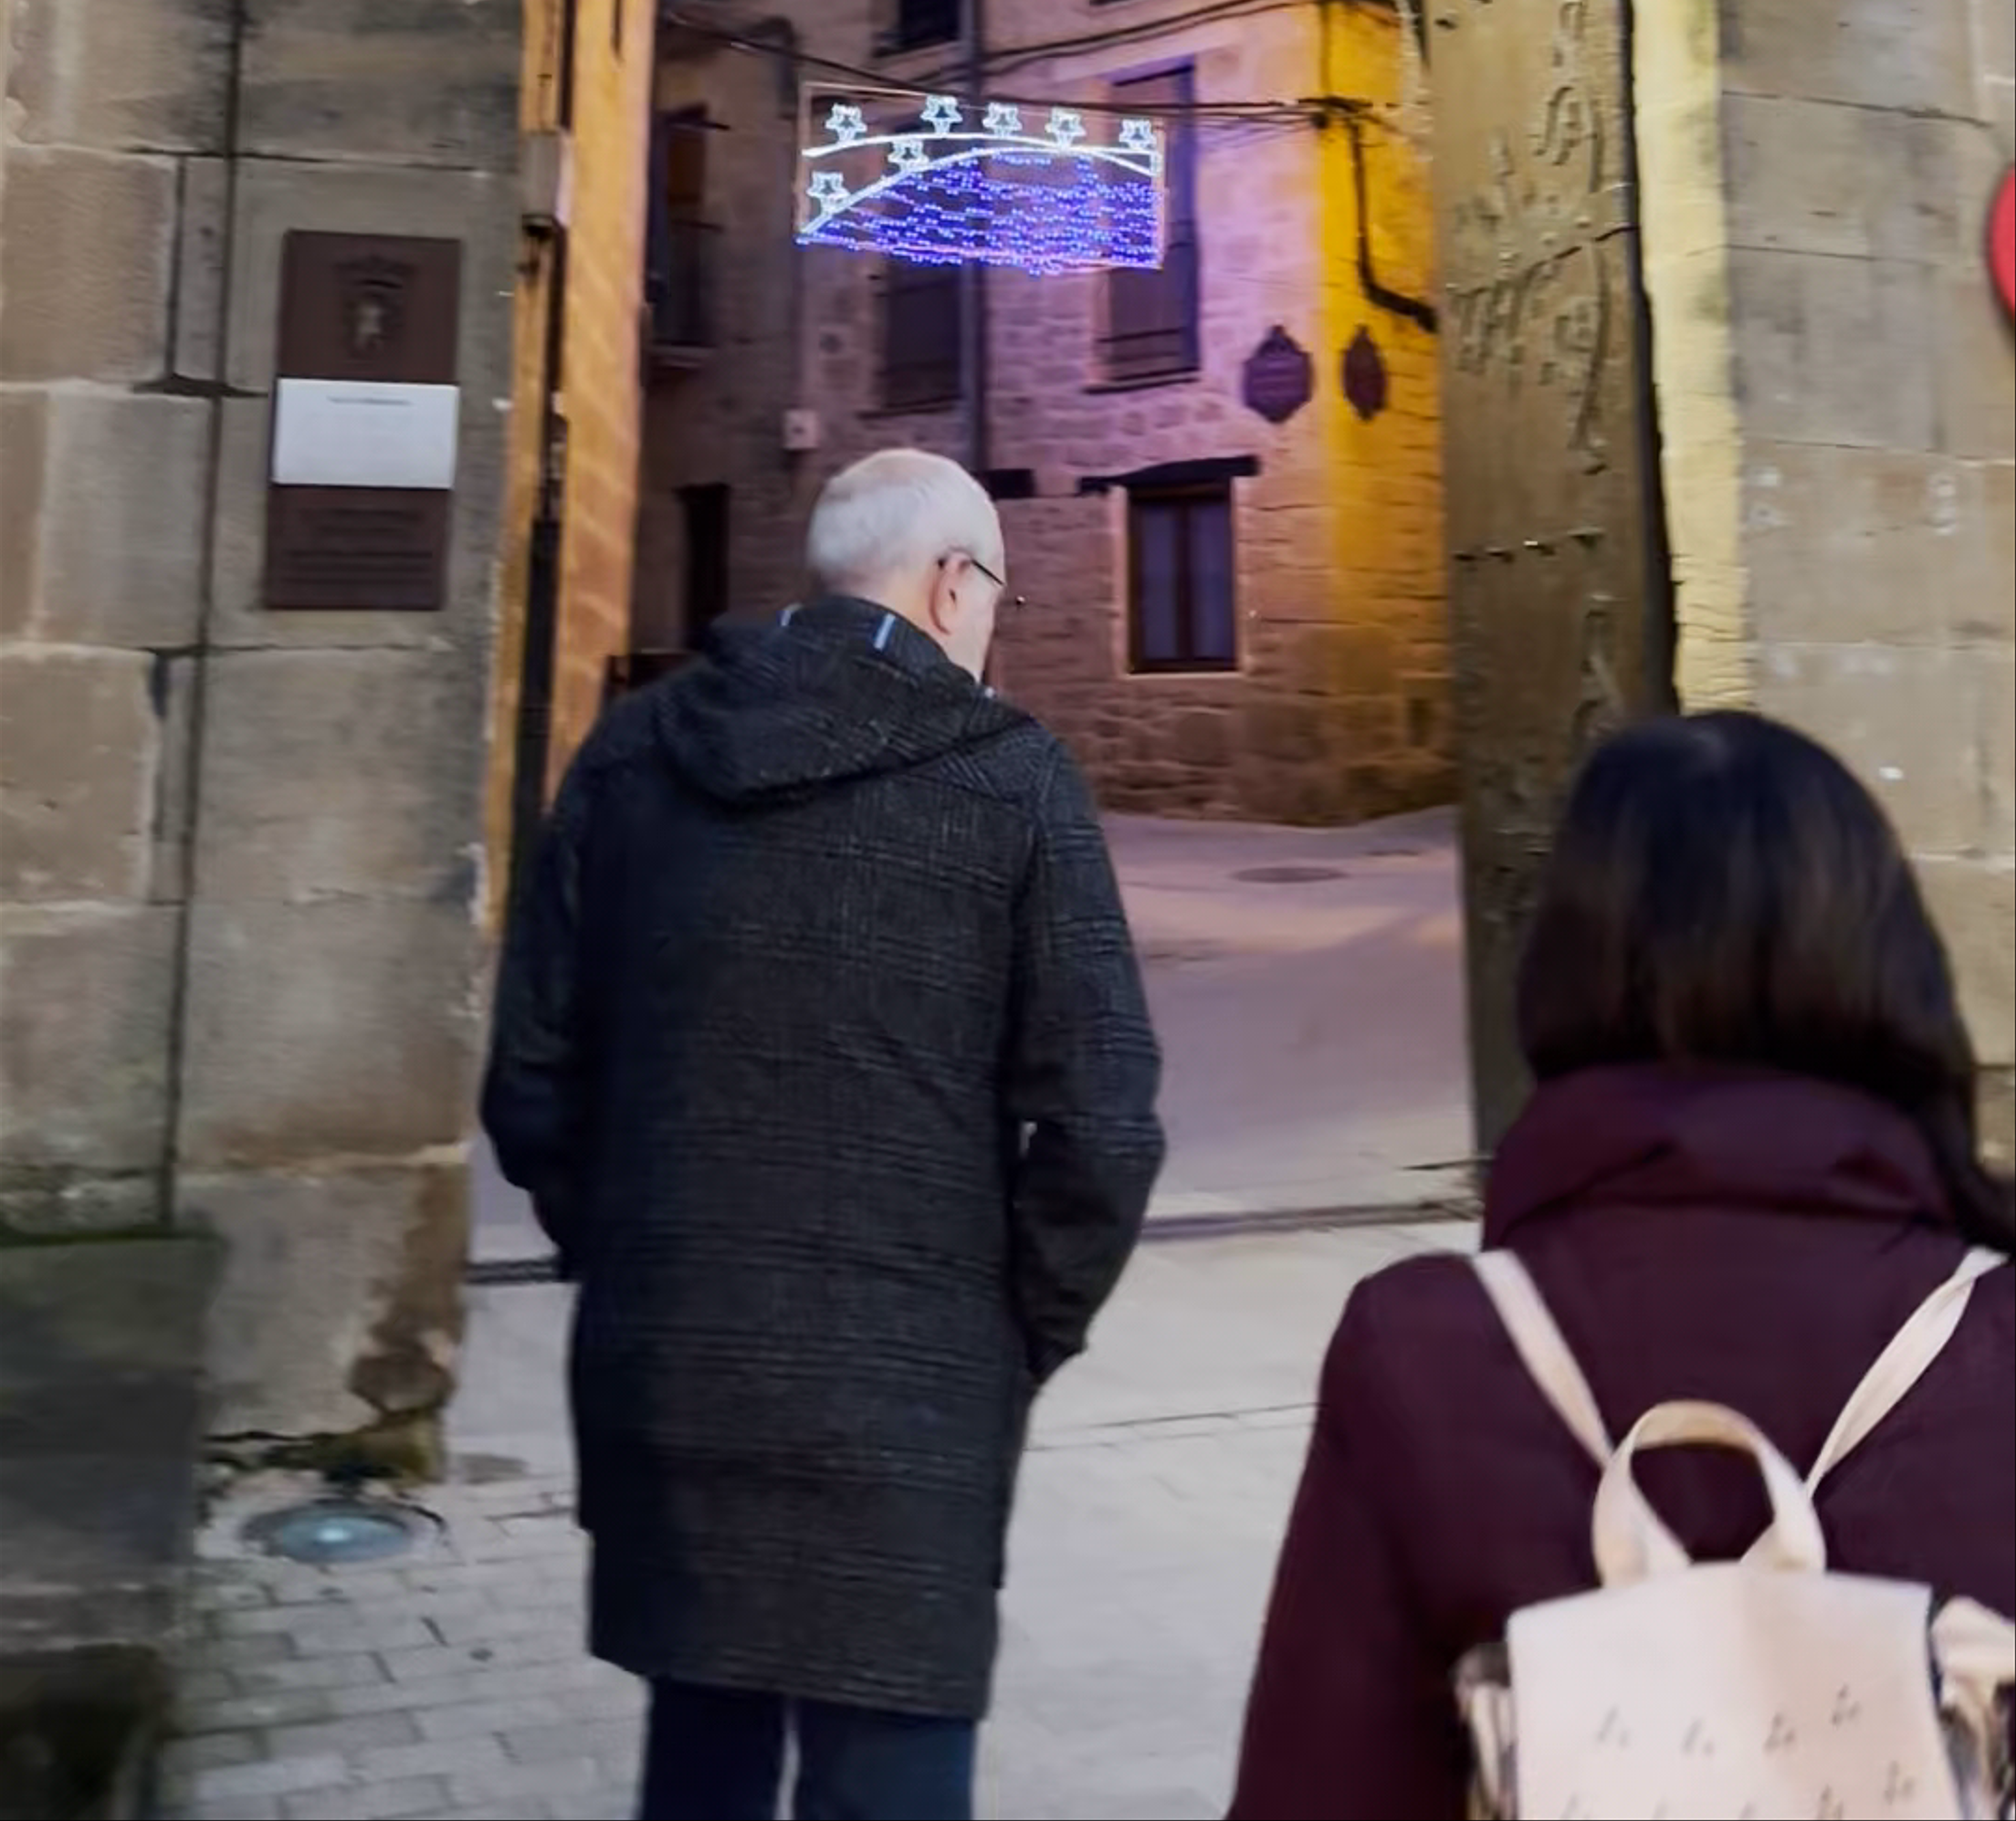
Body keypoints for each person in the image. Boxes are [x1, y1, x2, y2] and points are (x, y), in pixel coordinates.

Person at [482, 447, 1164, 1821]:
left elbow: (533, 1077)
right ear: (953, 584)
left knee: (704, 1749)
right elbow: (1104, 1125)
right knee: (891, 1764)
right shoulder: (1015, 779)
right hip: (915, 1389)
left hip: (671, 1366)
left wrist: (631, 1259)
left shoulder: (632, 753)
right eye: (996, 601)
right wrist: (1012, 1334)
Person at [1230, 711, 2016, 1821]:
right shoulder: (1993, 1338)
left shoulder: (1432, 1347)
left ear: (1567, 962)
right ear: (1891, 962)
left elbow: (1319, 1788)